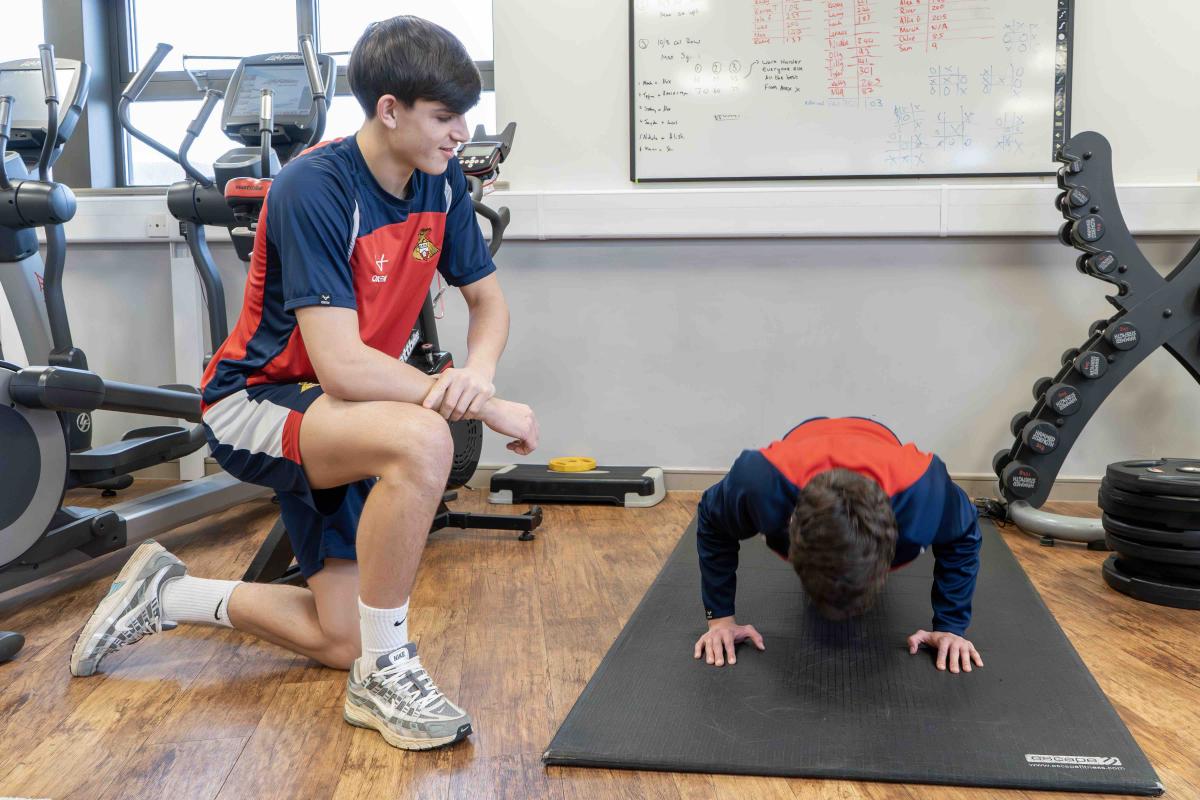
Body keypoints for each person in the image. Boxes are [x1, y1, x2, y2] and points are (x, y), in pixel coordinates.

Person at [69, 16, 538, 751]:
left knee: (339, 637)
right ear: (390, 109)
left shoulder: (441, 184)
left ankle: (169, 594)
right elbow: (341, 364)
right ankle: (387, 673)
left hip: (345, 413)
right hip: (258, 400)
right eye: (444, 117)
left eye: (462, 116)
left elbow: (488, 301)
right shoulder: (313, 187)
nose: (459, 134)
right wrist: (471, 403)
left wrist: (478, 377)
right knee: (421, 440)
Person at [692, 417, 983, 674]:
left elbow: (964, 534)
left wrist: (950, 626)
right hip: (805, 439)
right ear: (790, 529)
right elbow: (712, 518)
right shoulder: (760, 483)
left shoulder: (922, 494)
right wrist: (720, 620)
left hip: (878, 441)